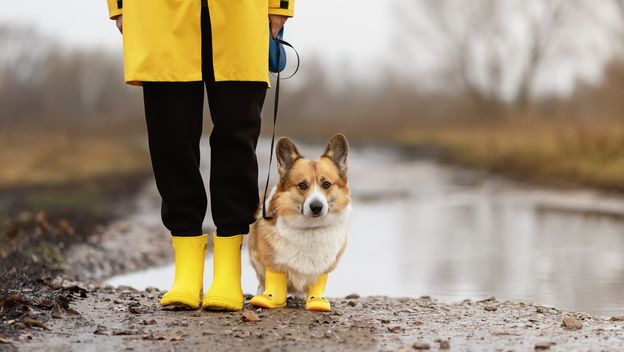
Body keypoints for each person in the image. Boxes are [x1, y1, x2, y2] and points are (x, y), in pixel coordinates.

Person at [105, 0, 295, 311]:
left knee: (237, 134)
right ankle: (187, 273)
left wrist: (281, 7)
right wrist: (120, 6)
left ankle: (227, 274)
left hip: (243, 12)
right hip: (157, 12)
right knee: (170, 136)